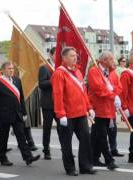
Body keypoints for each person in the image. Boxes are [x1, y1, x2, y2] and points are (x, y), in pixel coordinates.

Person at [51, 47, 96, 176]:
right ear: (64, 58)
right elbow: (57, 95)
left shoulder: (78, 72)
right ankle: (70, 168)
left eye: (75, 55)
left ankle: (85, 166)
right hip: (67, 115)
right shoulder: (59, 73)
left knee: (86, 138)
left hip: (81, 113)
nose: (75, 57)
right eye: (72, 56)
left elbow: (83, 93)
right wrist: (61, 114)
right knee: (66, 142)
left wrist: (89, 107)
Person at [0, 61, 40, 166]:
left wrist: (24, 112)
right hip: (3, 115)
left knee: (21, 136)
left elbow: (21, 98)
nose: (11, 70)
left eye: (12, 68)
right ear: (3, 70)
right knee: (3, 138)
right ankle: (3, 158)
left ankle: (28, 157)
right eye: (9, 69)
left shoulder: (17, 80)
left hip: (17, 114)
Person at [87, 51, 121, 170]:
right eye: (111, 59)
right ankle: (109, 160)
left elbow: (118, 87)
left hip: (109, 107)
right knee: (102, 135)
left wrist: (115, 94)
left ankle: (93, 158)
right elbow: (98, 89)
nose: (113, 62)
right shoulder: (94, 71)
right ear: (104, 60)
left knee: (96, 136)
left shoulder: (111, 73)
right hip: (98, 108)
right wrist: (112, 94)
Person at [38, 46, 59, 160]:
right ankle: (46, 150)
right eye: (56, 54)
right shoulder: (44, 67)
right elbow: (41, 84)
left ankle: (65, 149)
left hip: (59, 103)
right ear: (51, 55)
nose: (57, 56)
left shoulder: (60, 67)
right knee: (47, 128)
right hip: (48, 103)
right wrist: (53, 80)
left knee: (62, 128)